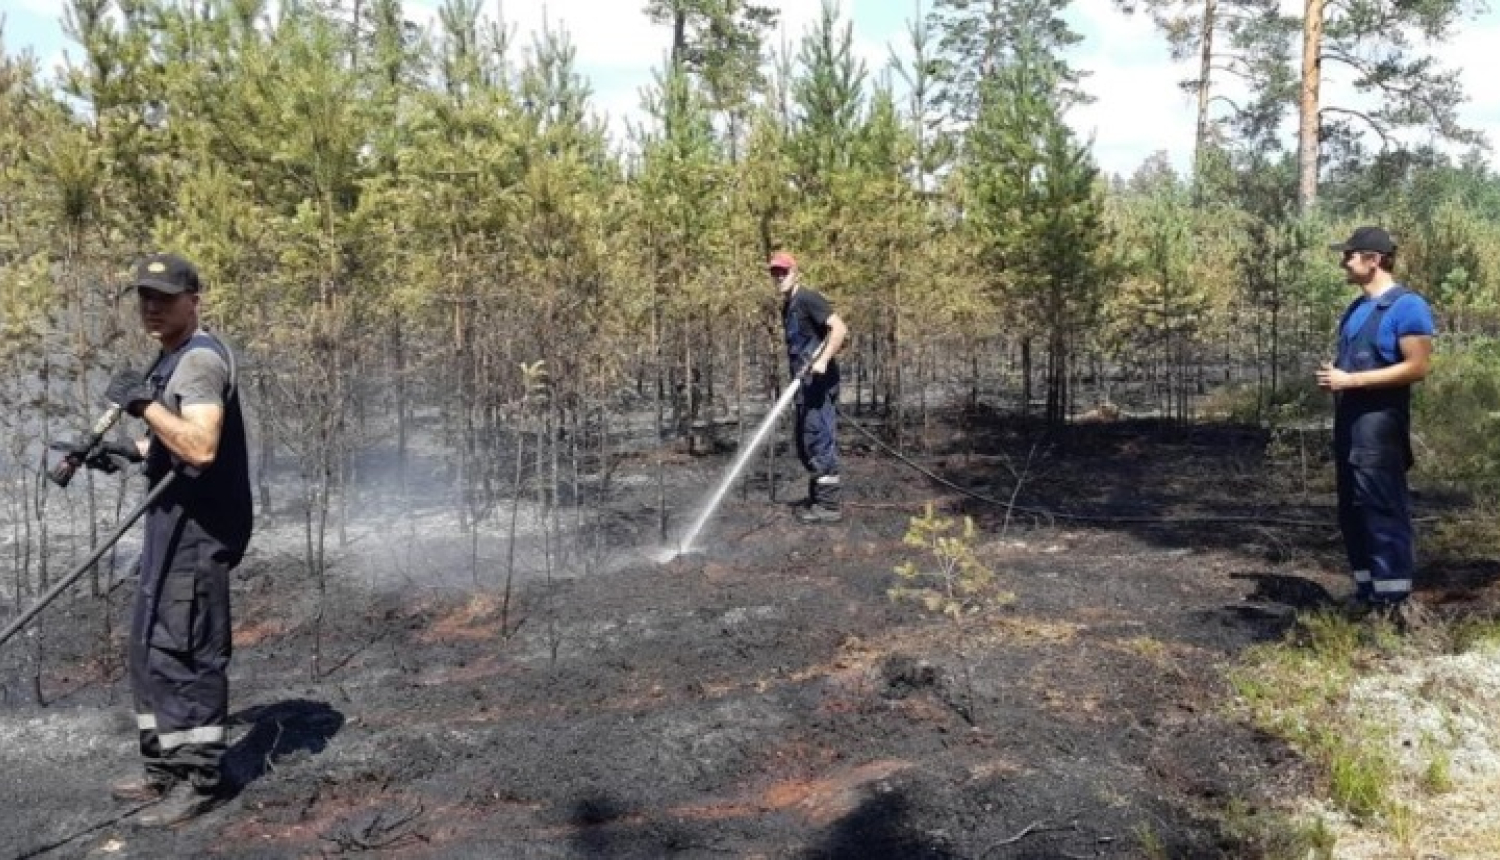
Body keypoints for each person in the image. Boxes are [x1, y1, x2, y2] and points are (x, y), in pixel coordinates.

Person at [104, 253, 253, 826]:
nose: (152, 306)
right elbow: (169, 445)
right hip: (171, 524)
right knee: (147, 648)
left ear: (195, 299)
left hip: (199, 531)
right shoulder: (169, 359)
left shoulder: (197, 362)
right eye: (144, 295)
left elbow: (200, 446)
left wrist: (141, 404)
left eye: (165, 296)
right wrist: (121, 450)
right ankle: (163, 770)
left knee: (183, 650)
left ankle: (199, 780)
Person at [1317, 227, 1434, 625]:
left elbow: (1417, 367)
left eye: (1350, 255)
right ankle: (1366, 592)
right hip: (1349, 421)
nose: (1344, 262)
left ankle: (1393, 603)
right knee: (1353, 508)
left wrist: (1351, 381)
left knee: (1381, 506)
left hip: (1380, 424)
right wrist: (1337, 375)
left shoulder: (1407, 306)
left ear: (1375, 259)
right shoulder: (1355, 309)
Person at [769, 251, 848, 523]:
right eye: (775, 273)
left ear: (796, 272)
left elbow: (839, 329)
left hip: (819, 383)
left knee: (818, 439)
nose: (779, 277)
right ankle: (818, 498)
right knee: (806, 443)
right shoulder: (788, 305)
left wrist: (823, 360)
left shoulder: (807, 298)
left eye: (784, 271)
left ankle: (829, 506)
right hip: (803, 384)